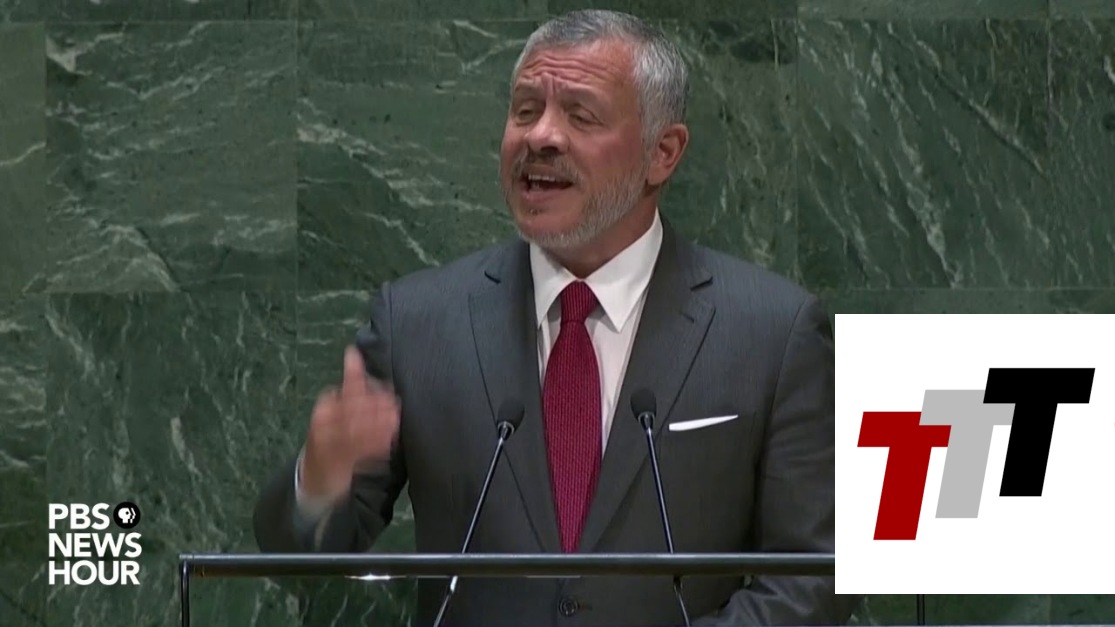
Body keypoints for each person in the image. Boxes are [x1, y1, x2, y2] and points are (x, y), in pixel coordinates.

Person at [254, 9, 856, 626]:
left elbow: (817, 575)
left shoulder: (772, 332)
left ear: (663, 152)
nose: (540, 136)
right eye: (524, 110)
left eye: (580, 115)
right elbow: (299, 554)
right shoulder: (416, 323)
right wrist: (316, 486)